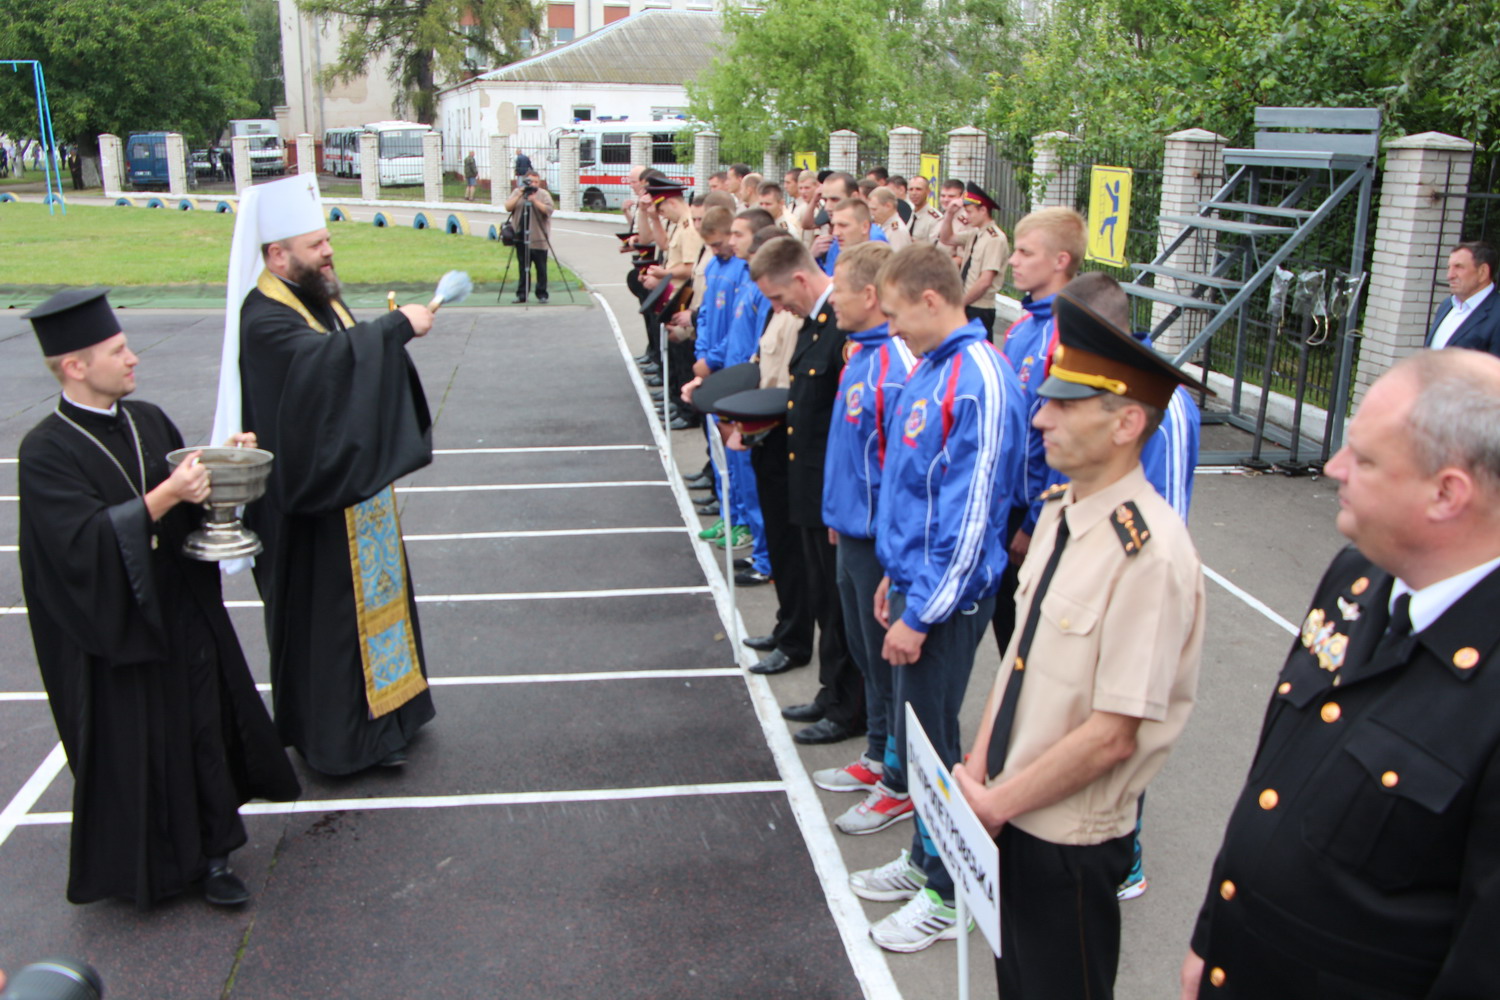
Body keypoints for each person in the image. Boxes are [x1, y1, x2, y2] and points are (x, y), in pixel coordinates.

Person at [1181, 348, 1500, 999]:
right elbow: (1272, 784)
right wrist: (1210, 940)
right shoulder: (1357, 576)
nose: (1333, 467)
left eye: (1366, 458)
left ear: (1447, 493)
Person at [952, 276, 1207, 997]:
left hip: (1066, 839)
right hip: (1009, 810)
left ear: (1125, 424)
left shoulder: (1150, 554)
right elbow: (1021, 662)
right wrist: (978, 772)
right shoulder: (1063, 511)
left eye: (1065, 404)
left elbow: (1112, 736)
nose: (1041, 418)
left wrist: (996, 804)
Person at [18, 288, 300, 908]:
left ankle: (216, 856)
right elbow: (75, 547)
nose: (133, 359)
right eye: (118, 351)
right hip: (114, 631)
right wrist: (166, 495)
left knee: (201, 728)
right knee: (139, 746)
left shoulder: (147, 420)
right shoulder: (45, 451)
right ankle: (150, 872)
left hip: (180, 611)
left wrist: (224, 467)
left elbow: (187, 509)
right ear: (75, 366)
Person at [216, 174, 437, 777]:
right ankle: (342, 742)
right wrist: (394, 329)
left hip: (345, 484)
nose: (328, 251)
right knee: (330, 623)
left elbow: (349, 366)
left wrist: (383, 340)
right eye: (315, 245)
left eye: (327, 240)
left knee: (376, 601)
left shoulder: (320, 298)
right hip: (305, 501)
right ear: (276, 255)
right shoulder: (263, 318)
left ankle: (394, 716)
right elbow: (320, 365)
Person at [847, 243, 1025, 953]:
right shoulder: (932, 365)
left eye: (896, 314)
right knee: (917, 741)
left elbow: (972, 516)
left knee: (935, 744)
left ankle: (950, 894)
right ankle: (926, 857)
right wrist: (894, 573)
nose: (890, 329)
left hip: (945, 603)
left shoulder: (979, 378)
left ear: (931, 299)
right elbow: (913, 488)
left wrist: (920, 612)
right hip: (916, 585)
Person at [811, 242, 919, 831]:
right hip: (851, 531)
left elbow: (900, 470)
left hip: (878, 542)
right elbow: (852, 451)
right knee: (863, 652)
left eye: (842, 289)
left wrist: (885, 545)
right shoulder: (861, 354)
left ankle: (900, 778)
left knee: (887, 663)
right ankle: (877, 753)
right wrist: (838, 513)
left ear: (871, 295)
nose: (832, 299)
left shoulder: (895, 365)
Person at [748, 236, 863, 746]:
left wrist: (839, 502)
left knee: (839, 607)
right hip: (811, 488)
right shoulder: (816, 324)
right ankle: (830, 692)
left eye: (778, 297)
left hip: (831, 493)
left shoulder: (842, 328)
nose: (779, 308)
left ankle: (847, 708)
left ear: (799, 278)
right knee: (822, 598)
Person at [939, 181, 1009, 340]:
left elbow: (985, 281)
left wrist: (961, 304)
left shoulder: (994, 239)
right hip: (968, 304)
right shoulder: (976, 234)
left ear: (983, 210)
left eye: (970, 212)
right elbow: (946, 238)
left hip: (979, 307)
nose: (966, 216)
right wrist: (949, 215)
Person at [1425, 240, 1499, 355]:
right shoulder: (1447, 305)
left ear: (1483, 272)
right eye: (1449, 267)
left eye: (1459, 267)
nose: (1449, 275)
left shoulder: (1496, 314)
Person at [504, 169, 555, 303]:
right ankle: (522, 294)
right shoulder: (517, 192)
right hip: (521, 237)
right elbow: (508, 207)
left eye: (536, 182)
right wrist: (520, 194)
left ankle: (542, 294)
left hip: (539, 238)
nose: (533, 184)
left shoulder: (543, 194)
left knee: (541, 268)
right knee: (523, 268)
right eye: (530, 181)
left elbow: (549, 210)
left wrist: (534, 200)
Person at [907, 175, 943, 245]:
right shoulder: (911, 213)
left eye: (918, 189)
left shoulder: (935, 219)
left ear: (928, 191)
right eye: (911, 189)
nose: (914, 193)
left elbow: (934, 247)